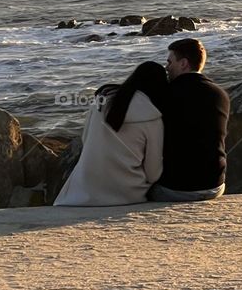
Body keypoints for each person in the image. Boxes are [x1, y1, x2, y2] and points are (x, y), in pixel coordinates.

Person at [54, 61, 168, 205]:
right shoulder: (153, 117)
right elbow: (153, 174)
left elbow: (85, 140)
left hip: (85, 190)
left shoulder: (100, 103)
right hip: (127, 193)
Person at [148, 37, 229, 202]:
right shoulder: (220, 94)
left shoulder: (165, 95)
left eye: (170, 62)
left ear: (183, 63)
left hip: (176, 188)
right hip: (215, 185)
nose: (167, 68)